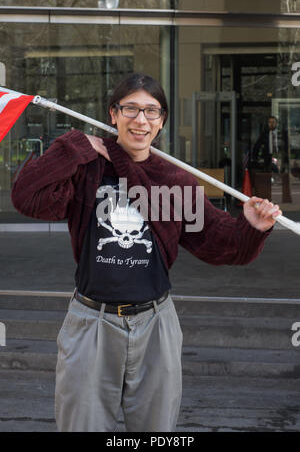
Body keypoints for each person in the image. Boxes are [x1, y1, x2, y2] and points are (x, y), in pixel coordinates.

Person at [11, 72, 282, 432]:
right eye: (131, 109)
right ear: (113, 114)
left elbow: (220, 245)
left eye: (151, 111)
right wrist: (74, 146)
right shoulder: (87, 170)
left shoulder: (174, 179)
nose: (141, 120)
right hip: (91, 321)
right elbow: (26, 197)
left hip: (156, 325)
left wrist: (251, 225)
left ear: (162, 120)